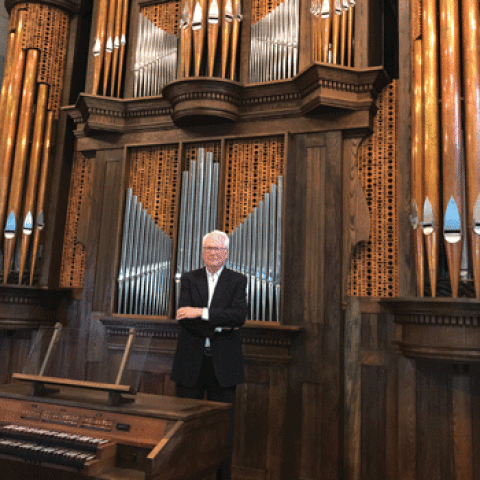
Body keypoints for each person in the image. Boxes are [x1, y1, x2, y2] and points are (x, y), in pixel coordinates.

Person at [172, 230, 247, 480]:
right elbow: (184, 319)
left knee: (222, 430)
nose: (213, 253)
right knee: (184, 427)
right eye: (208, 249)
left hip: (223, 366)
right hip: (191, 363)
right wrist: (221, 324)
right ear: (202, 252)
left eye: (217, 249)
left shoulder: (237, 281)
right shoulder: (190, 278)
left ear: (226, 253)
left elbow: (238, 317)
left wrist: (201, 312)